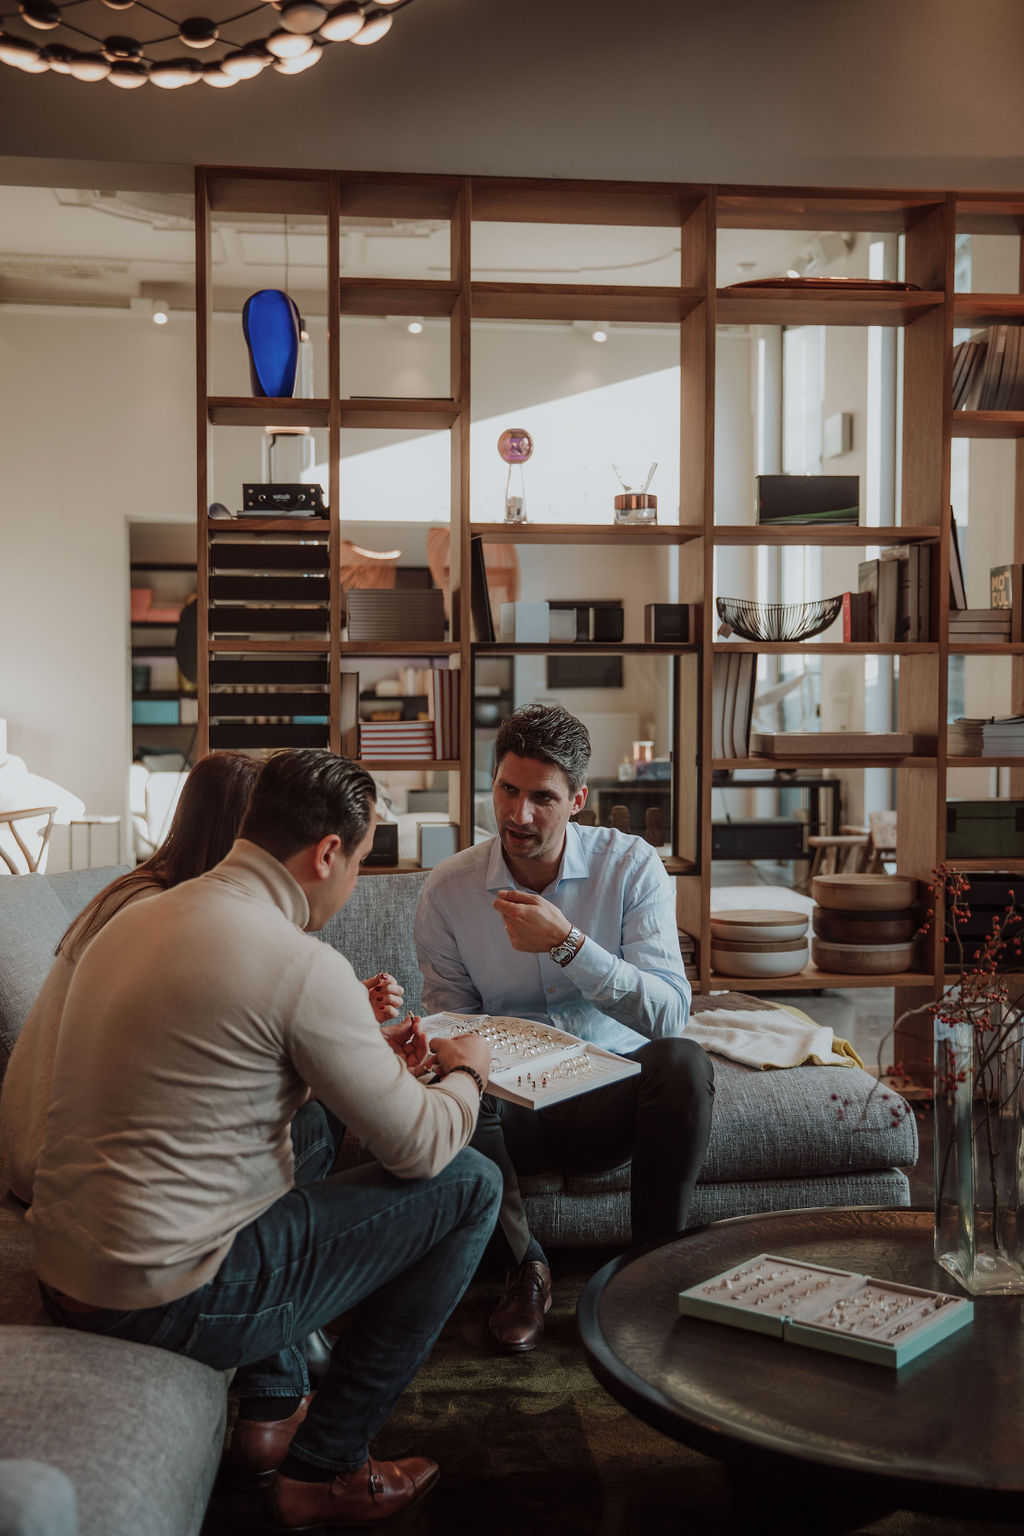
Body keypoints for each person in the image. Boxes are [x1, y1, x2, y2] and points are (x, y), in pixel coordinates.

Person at [27, 748, 500, 1531]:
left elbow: (213, 1072)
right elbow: (419, 1148)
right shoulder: (298, 961)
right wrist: (470, 1075)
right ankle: (326, 1468)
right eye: (359, 863)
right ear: (325, 854)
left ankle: (273, 1403)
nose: (353, 887)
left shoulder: (141, 917)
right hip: (162, 1300)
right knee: (472, 1184)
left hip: (71, 1268)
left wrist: (352, 1057)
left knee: (312, 1125)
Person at [414, 704, 715, 1352]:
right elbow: (451, 1023)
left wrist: (570, 946)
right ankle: (525, 1268)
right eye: (508, 791)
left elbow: (670, 1016)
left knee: (686, 1064)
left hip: (605, 1099)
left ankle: (648, 1275)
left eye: (543, 798)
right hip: (504, 1116)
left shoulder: (631, 866)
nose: (520, 815)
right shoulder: (449, 890)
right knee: (454, 1073)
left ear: (578, 799)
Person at [1, 750, 262, 1205]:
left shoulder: (143, 889)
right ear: (237, 834)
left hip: (44, 1156)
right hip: (70, 1172)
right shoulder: (155, 916)